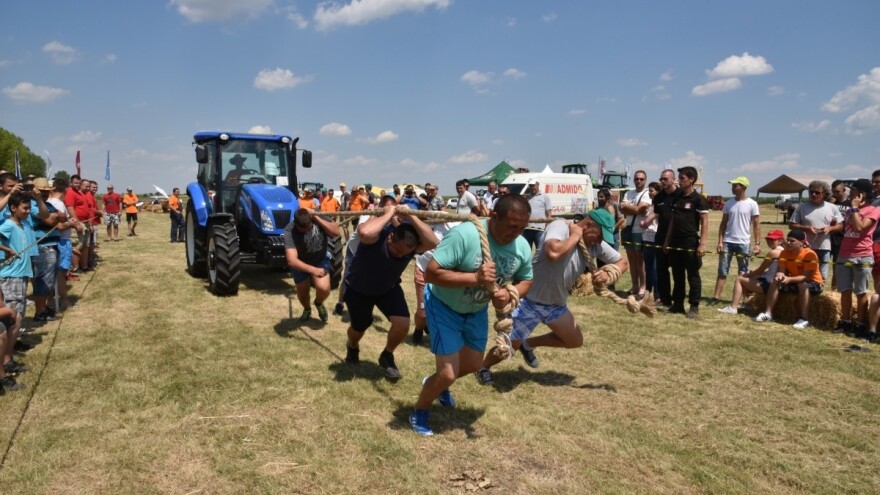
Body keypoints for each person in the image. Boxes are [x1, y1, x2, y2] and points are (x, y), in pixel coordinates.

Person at [409, 195, 533, 436]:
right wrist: (475, 278)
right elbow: (431, 273)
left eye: (522, 228)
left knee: (473, 365)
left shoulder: (521, 246)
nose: (517, 233)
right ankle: (420, 409)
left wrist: (512, 292)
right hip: (444, 305)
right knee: (448, 373)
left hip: (475, 310)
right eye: (512, 226)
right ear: (494, 216)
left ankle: (437, 385)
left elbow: (527, 279)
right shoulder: (464, 235)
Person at [477, 215, 628, 384]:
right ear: (588, 225)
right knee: (508, 346)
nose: (600, 241)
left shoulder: (594, 244)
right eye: (599, 235)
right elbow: (553, 252)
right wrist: (575, 236)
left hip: (556, 304)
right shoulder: (560, 226)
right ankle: (483, 367)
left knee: (574, 340)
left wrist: (607, 274)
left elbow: (623, 262)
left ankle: (527, 344)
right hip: (529, 300)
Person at [343, 206, 437, 379]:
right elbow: (363, 232)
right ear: (391, 237)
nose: (400, 256)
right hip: (358, 289)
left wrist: (410, 215)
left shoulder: (410, 247)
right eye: (397, 251)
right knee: (359, 328)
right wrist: (389, 213)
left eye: (405, 254)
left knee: (403, 323)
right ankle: (352, 346)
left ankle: (387, 355)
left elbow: (432, 242)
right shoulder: (376, 237)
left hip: (387, 288)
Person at [333, 195, 398, 316]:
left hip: (368, 252)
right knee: (348, 276)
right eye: (387, 207)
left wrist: (392, 216)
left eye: (393, 208)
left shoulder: (391, 217)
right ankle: (340, 303)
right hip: (354, 249)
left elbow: (400, 229)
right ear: (381, 206)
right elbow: (363, 231)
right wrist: (375, 214)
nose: (390, 210)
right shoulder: (368, 213)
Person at [832, 179, 880, 335]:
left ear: (862, 194)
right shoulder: (849, 210)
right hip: (844, 254)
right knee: (845, 290)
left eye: (853, 190)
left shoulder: (873, 210)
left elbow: (860, 227)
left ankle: (860, 324)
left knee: (860, 292)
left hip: (862, 255)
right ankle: (845, 321)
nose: (850, 192)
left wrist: (854, 208)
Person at [663, 166, 709, 319]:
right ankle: (678, 304)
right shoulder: (678, 198)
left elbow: (705, 222)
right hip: (675, 241)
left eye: (682, 178)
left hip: (690, 241)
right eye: (679, 177)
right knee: (677, 274)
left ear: (691, 180)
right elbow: (673, 221)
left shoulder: (699, 199)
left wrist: (702, 243)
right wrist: (667, 240)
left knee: (693, 275)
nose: (679, 180)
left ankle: (694, 306)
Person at [754, 230, 823, 330]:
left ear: (802, 242)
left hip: (814, 283)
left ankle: (804, 319)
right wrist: (779, 276)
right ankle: (768, 313)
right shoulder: (784, 253)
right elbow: (781, 271)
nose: (789, 243)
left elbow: (806, 277)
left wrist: (789, 279)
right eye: (788, 240)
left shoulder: (810, 254)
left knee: (802, 284)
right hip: (793, 281)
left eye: (792, 241)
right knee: (775, 281)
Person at [709, 176, 761, 305]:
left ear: (743, 187)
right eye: (732, 186)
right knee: (722, 270)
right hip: (727, 242)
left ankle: (745, 299)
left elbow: (756, 225)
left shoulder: (752, 204)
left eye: (735, 186)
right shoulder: (728, 203)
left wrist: (757, 244)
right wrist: (720, 242)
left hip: (743, 243)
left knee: (743, 272)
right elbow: (723, 224)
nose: (732, 188)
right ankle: (716, 297)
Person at [0, 192, 33, 393]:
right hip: (11, 276)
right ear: (13, 208)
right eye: (25, 208)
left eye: (29, 208)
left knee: (18, 318)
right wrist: (6, 250)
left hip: (21, 276)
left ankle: (8, 358)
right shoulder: (8, 225)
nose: (28, 211)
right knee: (12, 319)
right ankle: (6, 360)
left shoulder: (21, 225)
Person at [284, 208, 340, 323]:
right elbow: (292, 260)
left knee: (324, 289)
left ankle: (318, 303)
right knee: (303, 293)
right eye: (303, 230)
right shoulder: (289, 231)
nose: (307, 231)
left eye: (309, 228)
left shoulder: (317, 216)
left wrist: (317, 218)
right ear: (296, 225)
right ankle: (307, 309)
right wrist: (312, 270)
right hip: (300, 263)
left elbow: (336, 232)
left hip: (319, 259)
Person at [718, 229, 785, 315]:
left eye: (772, 240)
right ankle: (748, 303)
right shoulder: (783, 251)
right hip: (771, 281)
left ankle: (733, 307)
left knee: (740, 279)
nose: (769, 241)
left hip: (768, 284)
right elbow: (772, 270)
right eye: (768, 239)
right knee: (748, 276)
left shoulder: (773, 252)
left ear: (780, 241)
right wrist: (751, 274)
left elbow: (760, 270)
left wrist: (747, 275)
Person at [789, 180, 843, 283]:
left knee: (822, 277)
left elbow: (840, 226)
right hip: (805, 247)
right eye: (811, 192)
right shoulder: (802, 207)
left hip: (824, 247)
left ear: (824, 194)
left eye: (817, 192)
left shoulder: (832, 207)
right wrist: (807, 228)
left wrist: (830, 228)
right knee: (804, 274)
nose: (813, 194)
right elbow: (792, 225)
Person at [30, 178, 61, 322]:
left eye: (47, 191)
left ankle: (44, 307)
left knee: (49, 279)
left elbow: (62, 216)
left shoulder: (47, 204)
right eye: (42, 191)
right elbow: (48, 219)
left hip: (52, 245)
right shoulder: (32, 204)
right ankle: (40, 311)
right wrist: (53, 216)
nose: (45, 194)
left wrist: (55, 216)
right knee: (43, 280)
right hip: (43, 247)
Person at [620, 170, 651, 299]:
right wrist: (633, 209)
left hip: (639, 231)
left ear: (645, 180)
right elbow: (621, 208)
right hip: (628, 230)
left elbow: (640, 210)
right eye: (637, 179)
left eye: (641, 179)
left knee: (639, 260)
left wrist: (628, 207)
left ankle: (643, 287)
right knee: (631, 259)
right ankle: (635, 286)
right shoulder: (629, 193)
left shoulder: (647, 193)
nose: (639, 181)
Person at [652, 169, 678, 307]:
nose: (662, 181)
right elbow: (657, 216)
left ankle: (678, 300)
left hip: (677, 238)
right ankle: (664, 299)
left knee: (677, 271)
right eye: (661, 179)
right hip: (661, 237)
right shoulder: (658, 197)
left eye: (665, 179)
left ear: (673, 179)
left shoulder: (681, 195)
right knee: (661, 270)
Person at [640, 182, 661, 300]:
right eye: (649, 190)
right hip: (646, 238)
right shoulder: (650, 206)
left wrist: (645, 223)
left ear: (658, 192)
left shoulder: (659, 206)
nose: (649, 193)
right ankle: (648, 292)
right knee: (648, 268)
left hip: (655, 239)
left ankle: (658, 295)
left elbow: (654, 222)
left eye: (652, 190)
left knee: (655, 268)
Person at [829, 179, 849, 289]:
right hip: (828, 237)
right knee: (822, 264)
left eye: (837, 191)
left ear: (844, 190)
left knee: (837, 266)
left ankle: (834, 290)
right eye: (833, 191)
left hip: (842, 238)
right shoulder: (829, 203)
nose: (835, 194)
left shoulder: (850, 203)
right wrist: (830, 204)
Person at [523, 179, 552, 249]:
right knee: (527, 249)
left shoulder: (545, 196)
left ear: (537, 185)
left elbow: (549, 213)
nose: (532, 187)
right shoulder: (527, 197)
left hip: (540, 229)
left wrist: (547, 226)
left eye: (533, 185)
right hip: (527, 228)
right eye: (530, 186)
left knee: (540, 250)